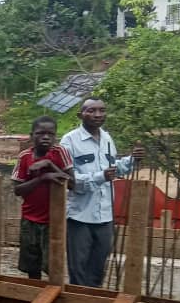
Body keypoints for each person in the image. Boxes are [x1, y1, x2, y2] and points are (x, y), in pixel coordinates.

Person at [61, 98, 144, 287]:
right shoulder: (69, 140)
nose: (98, 115)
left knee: (98, 270)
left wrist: (132, 160)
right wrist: (100, 176)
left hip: (105, 215)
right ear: (80, 114)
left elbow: (114, 169)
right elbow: (69, 180)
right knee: (79, 271)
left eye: (101, 110)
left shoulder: (107, 138)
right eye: (91, 111)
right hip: (80, 216)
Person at [11, 116, 74, 280]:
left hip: (55, 221)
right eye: (40, 133)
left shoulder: (60, 153)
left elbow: (72, 183)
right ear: (32, 136)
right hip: (30, 219)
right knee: (33, 266)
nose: (46, 137)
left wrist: (49, 165)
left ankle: (53, 297)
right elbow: (18, 190)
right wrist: (42, 178)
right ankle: (34, 296)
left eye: (50, 134)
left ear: (55, 136)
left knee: (54, 265)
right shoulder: (25, 156)